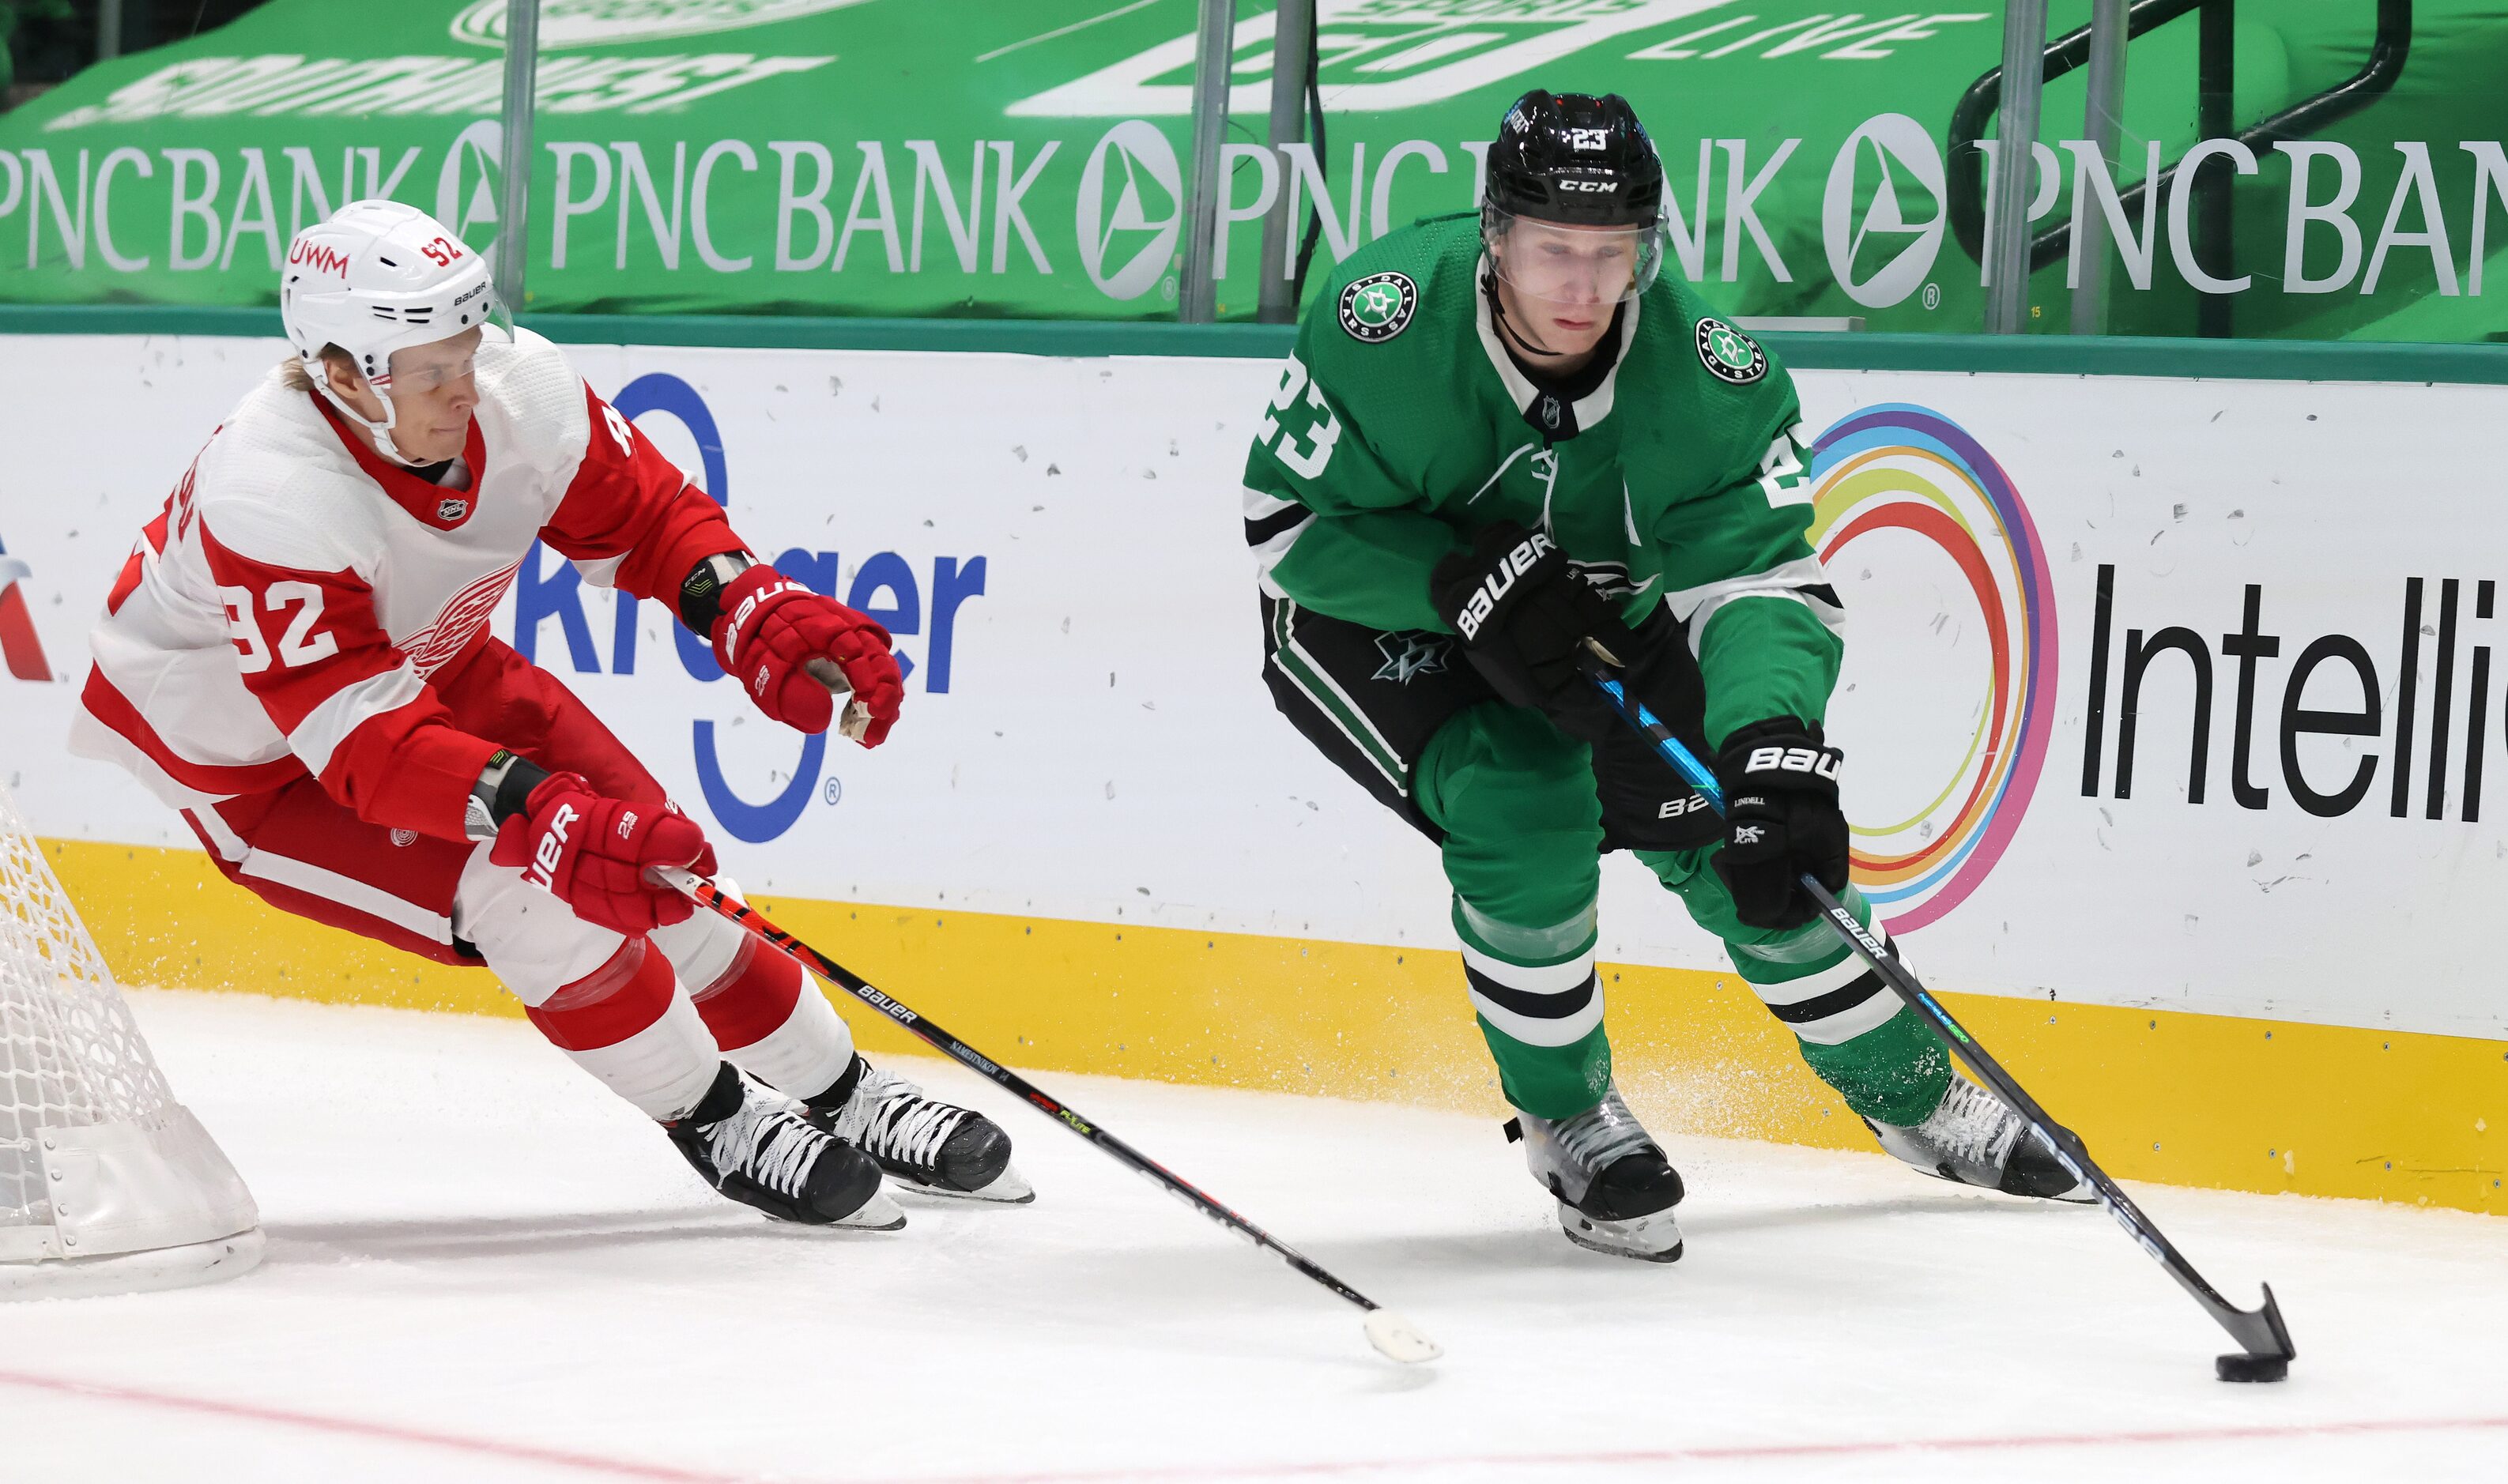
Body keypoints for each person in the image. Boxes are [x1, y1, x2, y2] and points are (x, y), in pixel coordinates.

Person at [1241, 92, 2086, 1262]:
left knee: (1757, 848)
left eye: (1610, 254)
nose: (1581, 288)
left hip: (1598, 620)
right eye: (1551, 251)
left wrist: (1771, 745)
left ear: (1648, 245)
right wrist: (1452, 581)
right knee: (1520, 795)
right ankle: (1566, 1110)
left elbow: (1758, 586)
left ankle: (1913, 1096)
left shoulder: (1712, 380)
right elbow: (1283, 528)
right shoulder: (1377, 320)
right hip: (1376, 615)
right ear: (1493, 234)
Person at [73, 200, 1028, 1230]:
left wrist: (744, 604)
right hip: (257, 762)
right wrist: (535, 810)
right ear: (342, 374)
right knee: (525, 893)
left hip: (425, 663)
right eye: (426, 371)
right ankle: (714, 1118)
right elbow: (359, 744)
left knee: (666, 870)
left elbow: (649, 518)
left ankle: (846, 1095)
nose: (462, 388)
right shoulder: (270, 491)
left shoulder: (516, 382)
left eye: (465, 349)